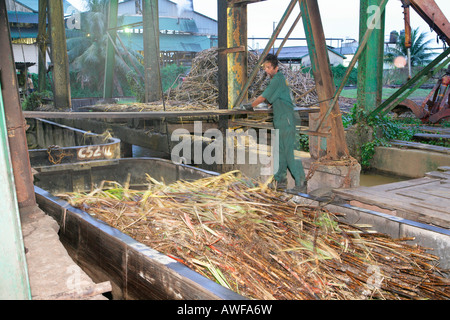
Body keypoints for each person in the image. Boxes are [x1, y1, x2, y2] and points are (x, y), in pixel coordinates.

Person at [250, 54, 306, 193]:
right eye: (265, 68)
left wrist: (249, 106)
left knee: (290, 152)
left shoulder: (278, 79)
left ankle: (301, 184)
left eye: (269, 67)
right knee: (280, 152)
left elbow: (264, 96)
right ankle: (280, 181)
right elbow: (271, 99)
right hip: (280, 120)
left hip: (287, 120)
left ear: (276, 67)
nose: (267, 70)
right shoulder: (277, 80)